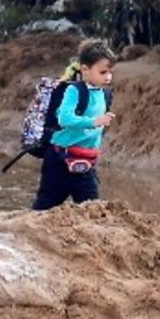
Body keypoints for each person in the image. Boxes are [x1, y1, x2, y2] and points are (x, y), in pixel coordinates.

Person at [31, 40, 116, 211]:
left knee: (92, 209)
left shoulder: (105, 94)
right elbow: (64, 119)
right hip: (59, 160)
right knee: (44, 208)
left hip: (86, 162)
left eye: (110, 72)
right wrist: (94, 122)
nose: (108, 77)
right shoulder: (74, 91)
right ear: (85, 69)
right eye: (103, 72)